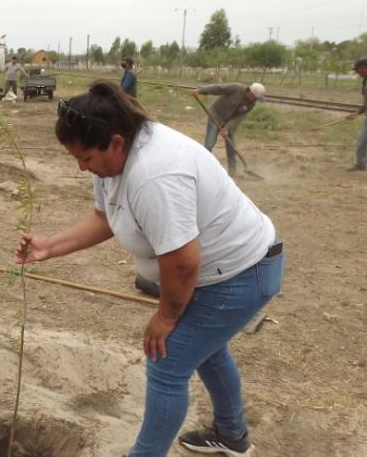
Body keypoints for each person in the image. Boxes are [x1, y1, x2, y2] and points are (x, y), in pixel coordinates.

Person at [15, 81, 284, 457]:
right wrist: (50, 247)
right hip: (219, 270)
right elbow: (104, 217)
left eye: (86, 159)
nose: (81, 168)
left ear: (116, 143)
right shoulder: (111, 158)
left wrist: (166, 317)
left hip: (242, 272)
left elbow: (183, 262)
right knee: (206, 351)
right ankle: (232, 435)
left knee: (167, 360)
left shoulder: (156, 175)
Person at [189, 82, 265, 177]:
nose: (256, 100)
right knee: (209, 143)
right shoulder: (236, 88)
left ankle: (232, 170)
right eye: (255, 98)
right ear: (250, 93)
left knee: (232, 145)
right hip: (216, 115)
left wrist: (227, 128)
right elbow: (217, 88)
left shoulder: (251, 104)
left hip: (230, 123)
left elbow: (238, 118)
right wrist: (200, 90)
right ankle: (201, 167)